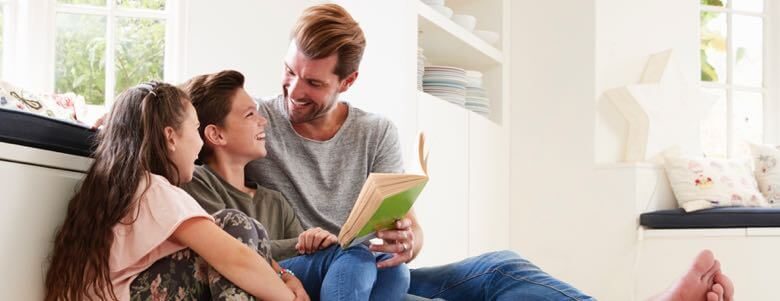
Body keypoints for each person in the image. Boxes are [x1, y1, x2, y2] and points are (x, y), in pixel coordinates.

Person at [244, 3, 736, 301]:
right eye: (289, 71)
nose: (293, 90)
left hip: (377, 273)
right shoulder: (254, 123)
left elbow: (409, 230)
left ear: (348, 80)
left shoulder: (377, 133)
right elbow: (191, 134)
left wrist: (407, 241)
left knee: (501, 267)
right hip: (317, 270)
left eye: (312, 81)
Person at [44, 82, 308, 301]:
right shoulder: (153, 190)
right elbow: (236, 257)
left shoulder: (122, 187)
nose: (200, 141)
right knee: (235, 224)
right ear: (171, 137)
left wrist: (284, 276)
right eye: (195, 129)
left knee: (246, 231)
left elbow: (243, 253)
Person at [180, 70, 410, 301]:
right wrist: (306, 244)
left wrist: (314, 239)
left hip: (292, 278)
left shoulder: (274, 200)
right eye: (250, 115)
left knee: (393, 269)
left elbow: (303, 253)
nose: (263, 121)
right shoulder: (197, 182)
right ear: (216, 135)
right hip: (258, 277)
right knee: (350, 253)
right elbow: (229, 246)